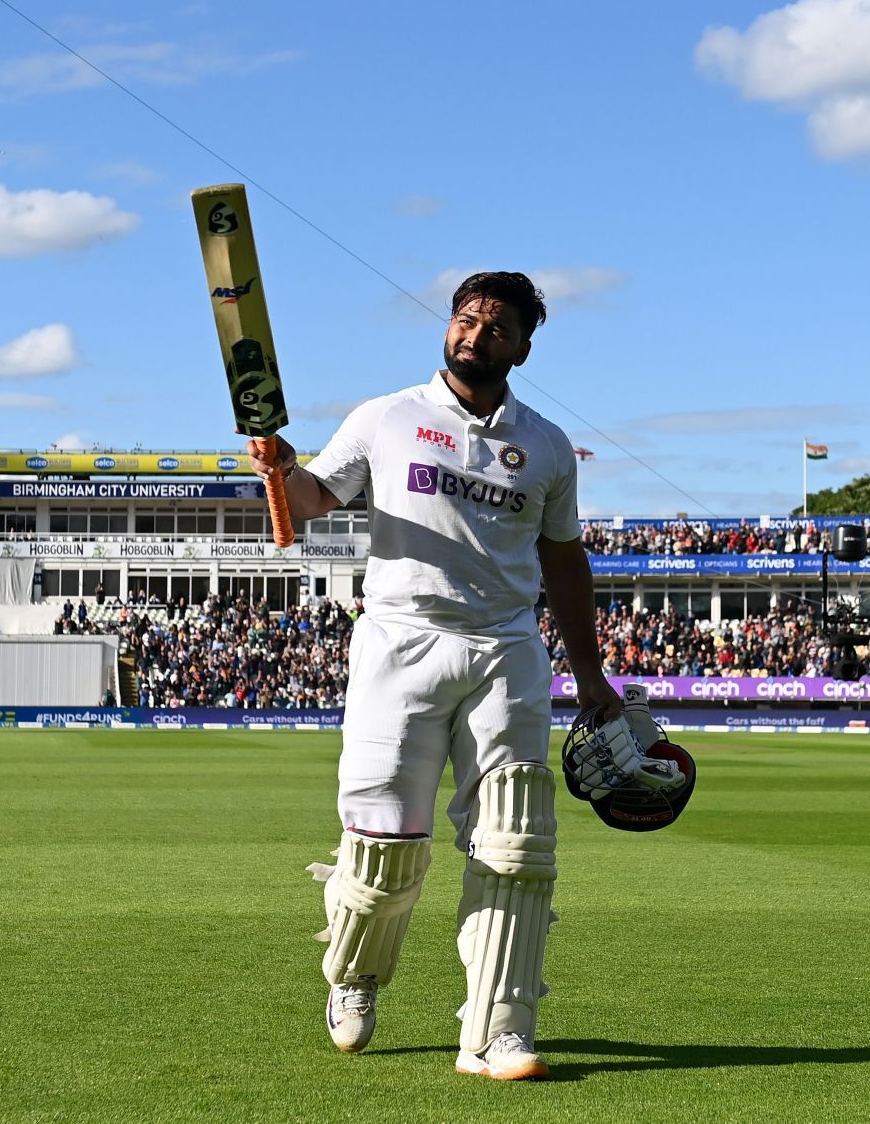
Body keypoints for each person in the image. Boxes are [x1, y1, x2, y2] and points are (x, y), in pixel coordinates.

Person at [251, 271, 619, 1082]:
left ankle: (500, 1031)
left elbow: (563, 558)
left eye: (495, 326)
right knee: (384, 846)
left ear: (524, 345)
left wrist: (590, 673)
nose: (475, 333)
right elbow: (313, 497)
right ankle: (352, 975)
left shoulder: (548, 446)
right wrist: (280, 468)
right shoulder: (388, 416)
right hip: (400, 642)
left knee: (515, 842)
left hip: (506, 650)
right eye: (465, 318)